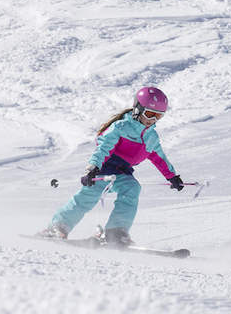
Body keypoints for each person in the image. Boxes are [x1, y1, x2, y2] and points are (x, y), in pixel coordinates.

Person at [40, 86, 185, 245]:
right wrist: (93, 168)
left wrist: (172, 177)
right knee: (88, 196)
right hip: (104, 168)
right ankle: (58, 227)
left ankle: (116, 232)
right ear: (138, 109)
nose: (153, 120)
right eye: (149, 114)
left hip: (123, 172)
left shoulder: (151, 136)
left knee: (132, 188)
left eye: (158, 116)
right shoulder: (120, 127)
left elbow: (160, 158)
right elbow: (103, 147)